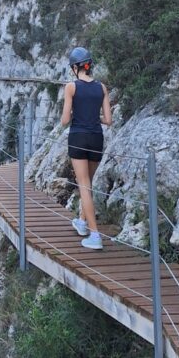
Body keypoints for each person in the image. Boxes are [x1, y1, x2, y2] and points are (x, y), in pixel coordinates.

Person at [60, 46, 112, 250]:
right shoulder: (102, 88)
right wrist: (93, 116)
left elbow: (65, 120)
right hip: (96, 138)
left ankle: (95, 235)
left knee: (84, 186)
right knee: (88, 184)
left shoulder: (71, 87)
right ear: (90, 65)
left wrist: (77, 114)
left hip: (78, 138)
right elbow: (108, 120)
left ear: (75, 68)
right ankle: (82, 222)